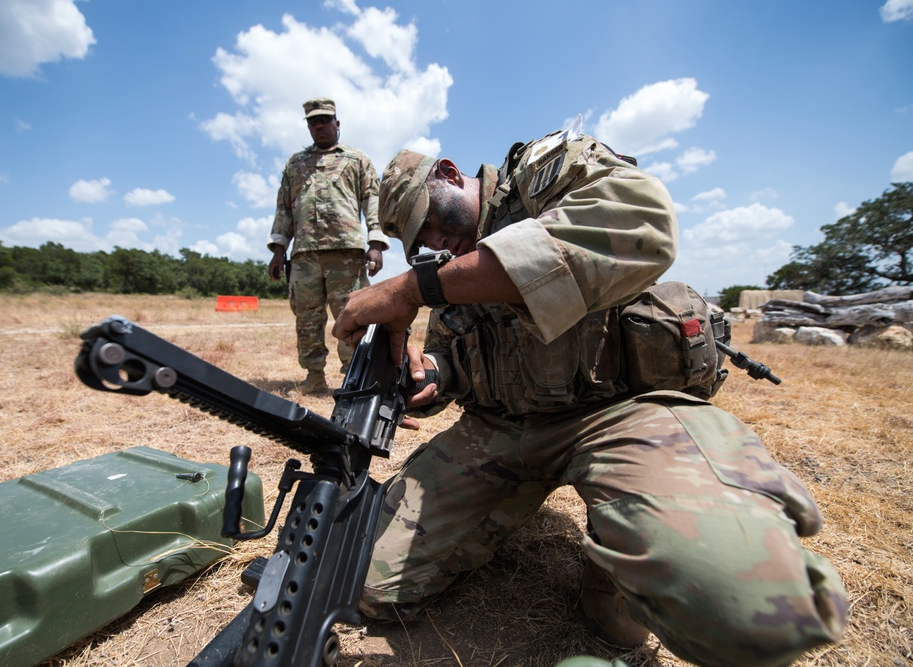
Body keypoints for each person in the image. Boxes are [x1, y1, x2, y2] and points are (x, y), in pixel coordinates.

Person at [331, 131, 848, 666]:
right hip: (504, 431)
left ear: (449, 173)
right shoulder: (447, 273)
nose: (436, 240)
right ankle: (508, 506)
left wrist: (411, 288)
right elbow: (454, 362)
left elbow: (640, 223)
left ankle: (621, 538)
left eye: (435, 220)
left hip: (618, 415)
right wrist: (430, 374)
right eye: (421, 241)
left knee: (747, 608)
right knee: (372, 585)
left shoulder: (539, 171)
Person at [268, 97, 389, 395]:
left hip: (346, 252)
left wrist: (376, 241)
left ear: (337, 123)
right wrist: (278, 249)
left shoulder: (356, 159)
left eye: (324, 120)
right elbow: (284, 207)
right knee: (307, 319)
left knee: (352, 314)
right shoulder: (295, 163)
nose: (319, 125)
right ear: (308, 126)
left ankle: (354, 377)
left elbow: (372, 199)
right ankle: (314, 377)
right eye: (313, 121)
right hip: (305, 254)